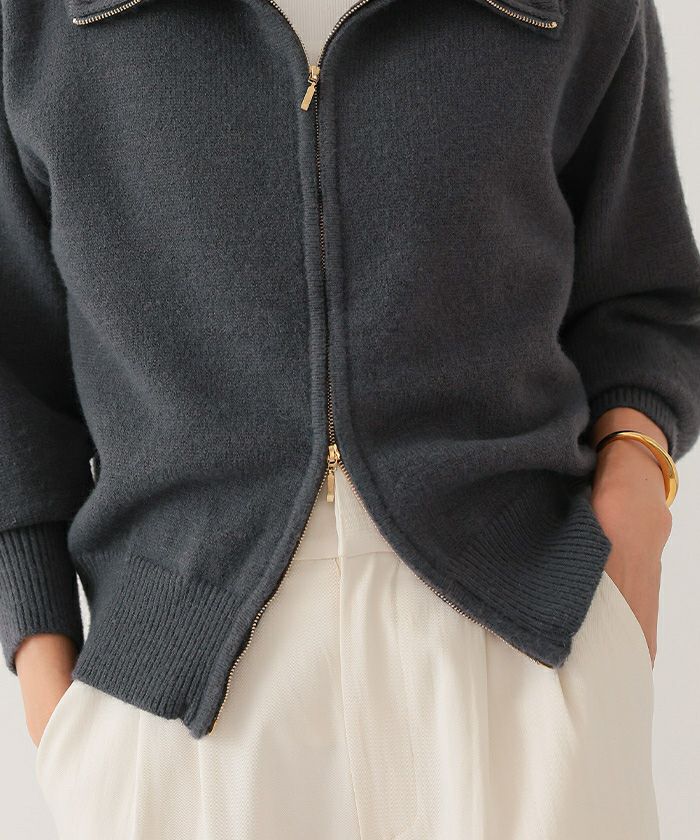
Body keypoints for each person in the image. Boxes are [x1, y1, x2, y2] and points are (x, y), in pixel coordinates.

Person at [1, 0, 699, 837]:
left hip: (526, 659)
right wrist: (46, 677)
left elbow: (641, 296)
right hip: (176, 705)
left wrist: (635, 496)